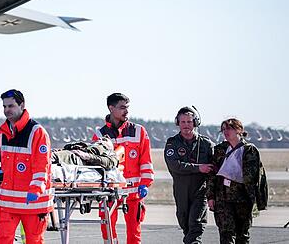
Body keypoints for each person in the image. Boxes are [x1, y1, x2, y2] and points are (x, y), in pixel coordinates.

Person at [93, 92, 154, 244]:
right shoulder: (99, 135)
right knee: (107, 228)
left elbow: (146, 161)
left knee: (134, 231)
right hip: (109, 191)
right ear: (111, 108)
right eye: (122, 108)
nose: (126, 111)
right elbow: (97, 164)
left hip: (134, 192)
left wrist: (145, 184)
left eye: (127, 107)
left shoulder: (139, 131)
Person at [0, 89, 52, 244]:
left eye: (11, 106)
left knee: (34, 241)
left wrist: (36, 189)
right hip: (8, 202)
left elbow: (42, 165)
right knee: (3, 239)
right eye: (5, 107)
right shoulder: (3, 133)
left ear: (22, 105)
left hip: (33, 203)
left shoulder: (37, 132)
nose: (7, 110)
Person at [207, 118, 268, 244]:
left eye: (229, 128)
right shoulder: (220, 150)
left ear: (239, 130)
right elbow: (212, 174)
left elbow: (251, 177)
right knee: (226, 233)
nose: (225, 132)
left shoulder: (249, 150)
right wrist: (210, 196)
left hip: (243, 198)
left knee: (242, 235)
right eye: (223, 129)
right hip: (222, 198)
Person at [164, 106, 214, 244]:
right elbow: (174, 166)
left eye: (189, 122)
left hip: (200, 190)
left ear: (195, 123)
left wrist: (212, 195)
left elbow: (213, 170)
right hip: (181, 190)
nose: (186, 125)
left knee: (196, 223)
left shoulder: (206, 144)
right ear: (178, 123)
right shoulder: (172, 143)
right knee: (184, 222)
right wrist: (198, 168)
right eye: (183, 122)